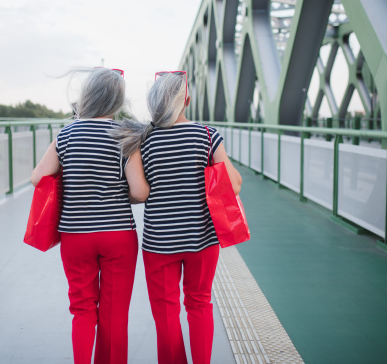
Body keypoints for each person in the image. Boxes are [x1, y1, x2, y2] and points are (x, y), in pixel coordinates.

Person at [112, 71, 242, 364]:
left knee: (166, 312)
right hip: (202, 238)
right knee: (199, 304)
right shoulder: (207, 135)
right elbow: (232, 185)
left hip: (159, 242)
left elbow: (139, 193)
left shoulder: (141, 139)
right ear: (187, 100)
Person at [30, 67, 149, 364]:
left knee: (82, 310)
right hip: (118, 236)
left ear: (87, 96)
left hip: (76, 236)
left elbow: (37, 178)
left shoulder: (67, 133)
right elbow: (140, 191)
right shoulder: (126, 135)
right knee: (114, 313)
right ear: (117, 100)